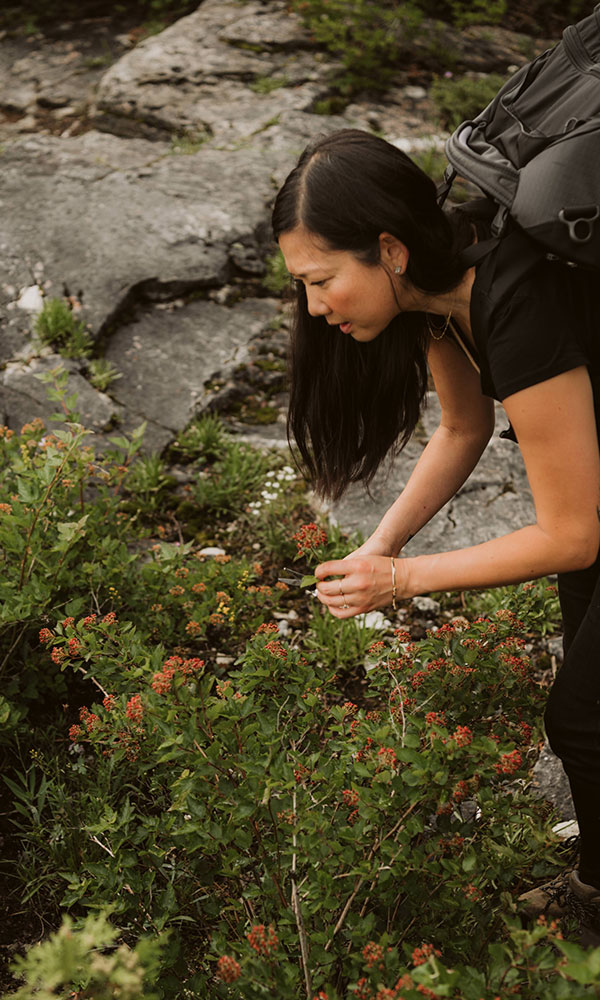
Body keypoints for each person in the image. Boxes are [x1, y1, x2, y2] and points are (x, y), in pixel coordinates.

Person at [272, 127, 600, 931]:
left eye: (321, 281)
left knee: (584, 716)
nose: (314, 309)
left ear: (388, 249)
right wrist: (381, 545)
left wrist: (405, 581)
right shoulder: (444, 302)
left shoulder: (518, 299)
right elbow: (461, 428)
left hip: (590, 515)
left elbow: (570, 536)